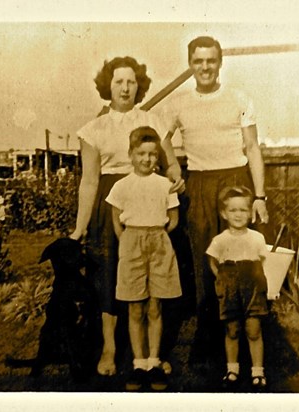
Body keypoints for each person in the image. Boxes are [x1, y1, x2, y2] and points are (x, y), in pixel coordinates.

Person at [70, 57, 183, 376]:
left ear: (139, 86)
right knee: (108, 275)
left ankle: (151, 351)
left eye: (131, 81)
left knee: (152, 274)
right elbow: (89, 180)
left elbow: (171, 163)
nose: (125, 87)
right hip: (111, 202)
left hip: (150, 199)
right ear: (108, 85)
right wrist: (81, 226)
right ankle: (109, 348)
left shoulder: (154, 120)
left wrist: (175, 175)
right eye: (118, 81)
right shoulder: (92, 129)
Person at [162, 36, 269, 363]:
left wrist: (260, 195)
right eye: (198, 61)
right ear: (191, 64)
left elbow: (252, 148)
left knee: (242, 261)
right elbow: (163, 139)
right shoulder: (178, 103)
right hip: (200, 185)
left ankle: (248, 338)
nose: (205, 67)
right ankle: (208, 341)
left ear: (219, 62)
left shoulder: (238, 97)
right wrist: (171, 168)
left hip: (235, 181)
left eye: (210, 60)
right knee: (204, 262)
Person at [106, 126, 182, 391]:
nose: (147, 159)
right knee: (135, 306)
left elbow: (173, 220)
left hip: (159, 242)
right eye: (141, 153)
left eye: (152, 154)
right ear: (131, 154)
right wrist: (129, 241)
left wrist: (155, 234)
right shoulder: (121, 186)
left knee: (155, 305)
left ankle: (154, 362)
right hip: (131, 243)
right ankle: (138, 364)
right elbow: (116, 221)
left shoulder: (165, 185)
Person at [206, 186, 269, 389]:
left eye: (243, 210)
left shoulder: (256, 238)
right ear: (224, 213)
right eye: (233, 210)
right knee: (232, 329)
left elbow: (264, 262)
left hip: (252, 289)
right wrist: (222, 280)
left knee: (253, 328)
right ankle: (232, 369)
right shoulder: (220, 240)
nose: (238, 215)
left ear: (250, 213)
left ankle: (258, 372)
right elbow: (213, 262)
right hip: (230, 289)